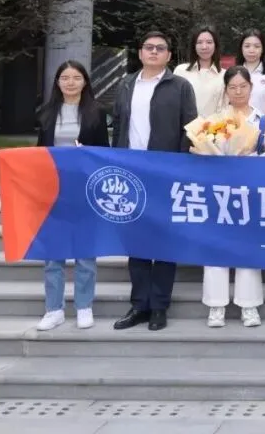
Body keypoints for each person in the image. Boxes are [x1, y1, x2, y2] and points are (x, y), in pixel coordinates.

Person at [112, 31, 198, 332]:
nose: (153, 52)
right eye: (148, 47)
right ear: (140, 53)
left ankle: (159, 305)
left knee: (163, 240)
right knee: (135, 240)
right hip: (131, 171)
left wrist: (179, 167)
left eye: (160, 48)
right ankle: (139, 304)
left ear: (169, 55)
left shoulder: (180, 86)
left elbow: (190, 129)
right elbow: (118, 125)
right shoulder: (126, 84)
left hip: (165, 172)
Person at [34, 60, 110, 331]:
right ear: (57, 82)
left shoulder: (96, 112)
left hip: (85, 188)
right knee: (53, 252)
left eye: (76, 77)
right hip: (53, 189)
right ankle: (53, 309)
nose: (70, 82)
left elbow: (104, 153)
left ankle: (84, 306)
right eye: (65, 78)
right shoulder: (46, 112)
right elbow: (39, 152)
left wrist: (86, 154)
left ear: (85, 81)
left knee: (84, 251)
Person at [202, 66, 265, 329]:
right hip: (220, 191)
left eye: (243, 86)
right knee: (215, 245)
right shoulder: (215, 120)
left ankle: (249, 305)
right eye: (233, 87)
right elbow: (204, 152)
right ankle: (216, 305)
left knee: (248, 247)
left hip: (251, 191)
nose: (238, 92)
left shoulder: (264, 120)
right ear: (226, 90)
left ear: (251, 87)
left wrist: (252, 159)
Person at [172, 26, 225, 117]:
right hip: (185, 125)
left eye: (209, 42)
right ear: (194, 46)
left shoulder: (224, 75)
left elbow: (224, 108)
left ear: (215, 45)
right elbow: (173, 103)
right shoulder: (181, 71)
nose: (204, 47)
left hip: (213, 125)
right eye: (199, 42)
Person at [238, 29, 265, 115]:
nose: (251, 50)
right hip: (237, 121)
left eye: (257, 46)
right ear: (241, 48)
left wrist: (262, 120)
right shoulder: (234, 73)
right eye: (247, 46)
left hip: (262, 121)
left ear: (262, 49)